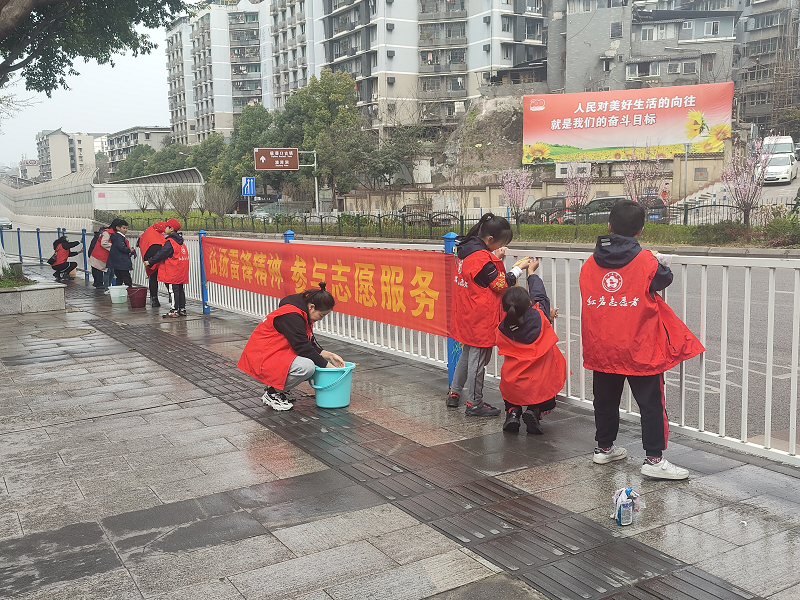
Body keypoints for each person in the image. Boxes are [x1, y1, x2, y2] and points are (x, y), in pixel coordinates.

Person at [580, 200, 704, 480]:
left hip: (602, 345)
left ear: (609, 226)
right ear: (640, 231)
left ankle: (604, 448)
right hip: (638, 346)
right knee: (650, 404)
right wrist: (660, 260)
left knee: (605, 400)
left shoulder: (589, 263)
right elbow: (664, 279)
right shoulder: (646, 260)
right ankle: (654, 459)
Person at [448, 213, 531, 417]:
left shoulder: (466, 250)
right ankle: (474, 403)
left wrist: (495, 259)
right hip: (480, 318)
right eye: (503, 242)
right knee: (478, 361)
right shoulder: (482, 258)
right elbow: (500, 284)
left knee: (466, 357)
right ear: (491, 240)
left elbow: (481, 277)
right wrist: (518, 269)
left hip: (466, 313)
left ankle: (454, 393)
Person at [237, 282, 346, 411]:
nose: (320, 319)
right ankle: (273, 393)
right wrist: (330, 368)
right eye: (321, 315)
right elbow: (303, 348)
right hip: (262, 358)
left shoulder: (300, 311)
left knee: (314, 361)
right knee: (307, 366)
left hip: (272, 353)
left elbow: (306, 342)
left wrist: (329, 355)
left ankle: (280, 389)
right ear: (311, 307)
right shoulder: (292, 316)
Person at [497, 258, 566, 434]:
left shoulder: (502, 328)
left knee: (512, 394)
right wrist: (532, 273)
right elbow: (540, 295)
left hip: (513, 384)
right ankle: (534, 411)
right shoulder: (540, 316)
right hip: (539, 384)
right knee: (545, 395)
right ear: (530, 304)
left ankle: (513, 412)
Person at [144, 218, 189, 318]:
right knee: (180, 290)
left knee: (173, 290)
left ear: (171, 229)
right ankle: (182, 309)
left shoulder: (170, 241)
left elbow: (161, 254)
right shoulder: (180, 241)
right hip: (181, 270)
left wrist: (150, 261)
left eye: (166, 227)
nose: (164, 228)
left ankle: (174, 310)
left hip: (173, 271)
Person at [138, 221, 166, 307]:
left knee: (153, 278)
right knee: (166, 277)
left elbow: (141, 244)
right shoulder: (159, 235)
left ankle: (154, 299)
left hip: (149, 257)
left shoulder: (147, 233)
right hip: (159, 256)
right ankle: (173, 298)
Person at [88, 220, 118, 290]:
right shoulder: (107, 233)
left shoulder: (107, 233)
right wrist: (114, 247)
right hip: (101, 255)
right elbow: (103, 243)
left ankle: (102, 285)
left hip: (100, 254)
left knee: (108, 271)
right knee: (107, 271)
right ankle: (105, 287)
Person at [107, 219, 135, 288]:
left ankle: (118, 291)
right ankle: (130, 291)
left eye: (126, 228)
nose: (125, 230)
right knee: (126, 277)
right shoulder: (119, 238)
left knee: (119, 278)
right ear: (118, 228)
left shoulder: (115, 237)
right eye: (124, 228)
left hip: (116, 262)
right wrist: (129, 250)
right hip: (122, 262)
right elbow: (122, 248)